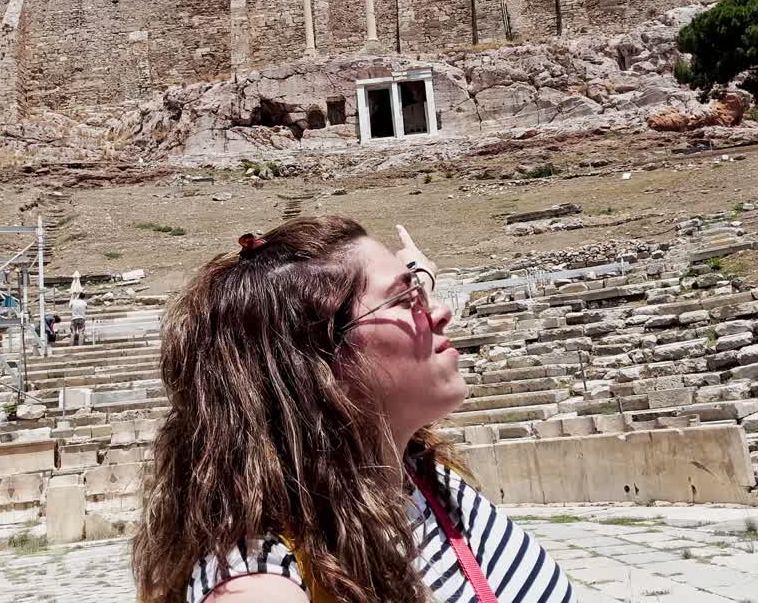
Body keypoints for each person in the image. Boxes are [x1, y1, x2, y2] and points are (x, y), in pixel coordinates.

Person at [132, 216, 575, 603]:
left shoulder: (408, 472)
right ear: (316, 360)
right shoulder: (254, 570)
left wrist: (412, 277)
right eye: (407, 299)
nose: (439, 312)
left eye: (423, 289)